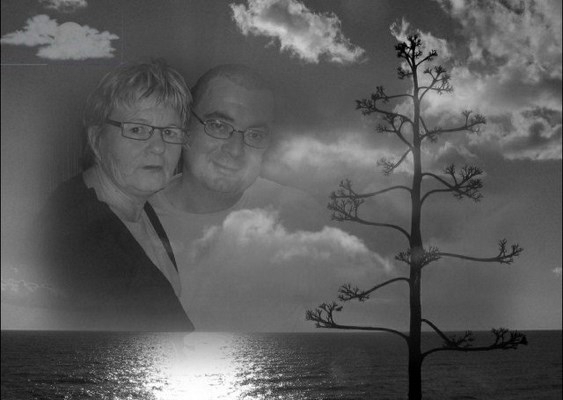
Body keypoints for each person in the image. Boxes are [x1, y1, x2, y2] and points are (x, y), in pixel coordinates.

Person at [151, 64, 322, 331]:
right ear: (185, 127)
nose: (235, 150)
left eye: (255, 134)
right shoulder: (134, 219)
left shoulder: (301, 216)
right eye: (219, 126)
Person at [28, 59, 194, 331]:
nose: (158, 147)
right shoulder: (79, 241)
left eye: (169, 131)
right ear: (96, 139)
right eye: (137, 129)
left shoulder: (135, 201)